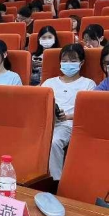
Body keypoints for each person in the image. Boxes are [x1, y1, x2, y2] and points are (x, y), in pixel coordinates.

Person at [41, 44, 95, 181]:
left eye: (73, 60)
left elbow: (89, 113)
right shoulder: (49, 82)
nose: (68, 64)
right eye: (64, 61)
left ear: (81, 62)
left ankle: (55, 181)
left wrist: (67, 116)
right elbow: (38, 102)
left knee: (54, 141)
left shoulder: (88, 84)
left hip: (69, 123)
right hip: (46, 122)